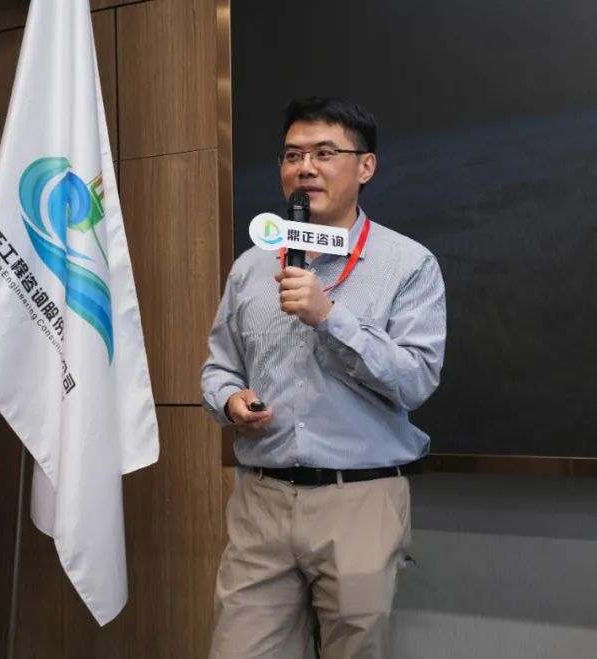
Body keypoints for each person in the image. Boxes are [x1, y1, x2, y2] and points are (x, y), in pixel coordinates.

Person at [200, 97, 447, 658]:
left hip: (359, 497)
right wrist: (231, 399)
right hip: (262, 498)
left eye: (324, 153)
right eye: (293, 156)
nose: (305, 167)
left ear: (366, 167)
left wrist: (330, 317)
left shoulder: (407, 264)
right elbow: (219, 366)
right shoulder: (251, 267)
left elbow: (415, 380)